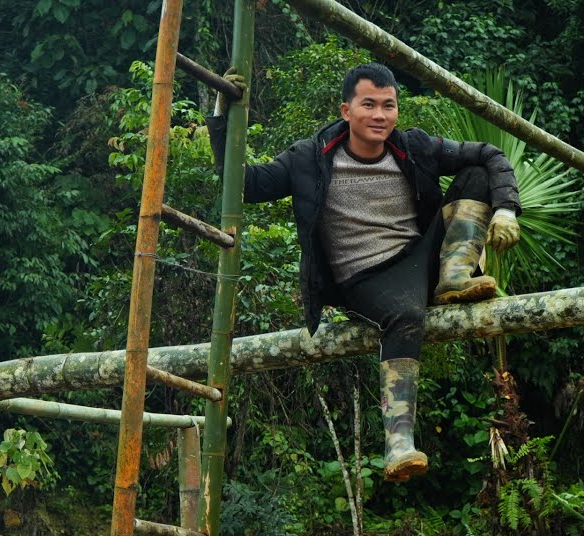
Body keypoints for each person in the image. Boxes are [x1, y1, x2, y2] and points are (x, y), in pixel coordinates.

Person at [208, 62, 521, 481]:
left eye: (388, 106)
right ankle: (399, 443)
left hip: (418, 260)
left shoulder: (414, 148)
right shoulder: (309, 159)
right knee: (406, 316)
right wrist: (222, 112)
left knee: (477, 173)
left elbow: (489, 154)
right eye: (368, 105)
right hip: (362, 278)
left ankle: (455, 276)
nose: (379, 116)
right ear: (346, 110)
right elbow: (245, 184)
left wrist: (505, 208)